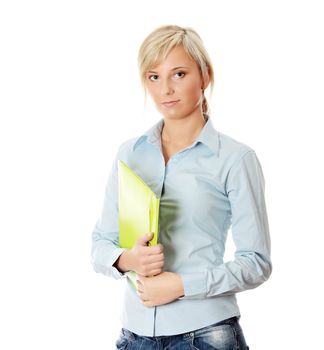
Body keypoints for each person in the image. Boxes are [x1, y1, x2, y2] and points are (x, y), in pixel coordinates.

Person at [91, 24, 272, 350]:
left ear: (205, 76)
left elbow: (256, 262)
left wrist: (183, 285)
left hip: (206, 336)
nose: (165, 89)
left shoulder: (235, 159)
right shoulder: (129, 154)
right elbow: (100, 243)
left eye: (179, 74)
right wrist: (127, 260)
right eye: (154, 76)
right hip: (134, 338)